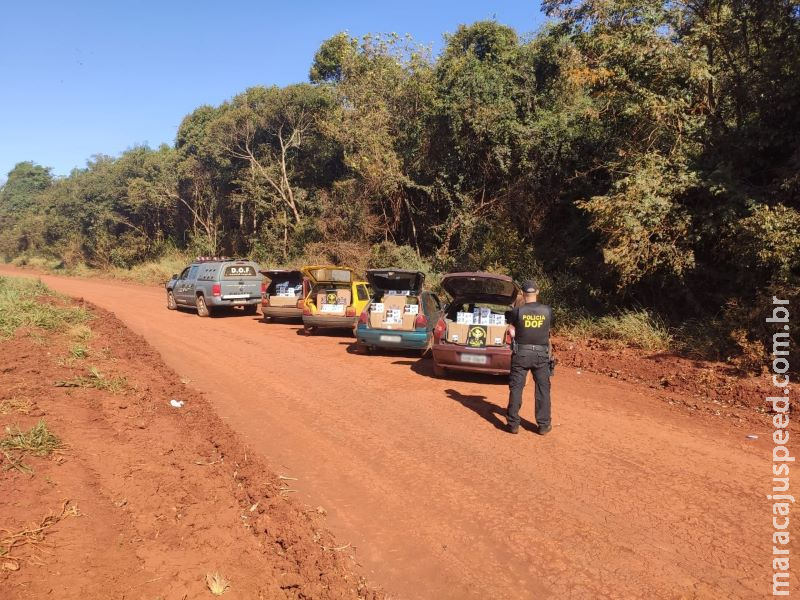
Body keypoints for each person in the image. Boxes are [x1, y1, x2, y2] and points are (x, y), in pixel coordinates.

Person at [506, 280, 553, 436]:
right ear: (537, 292)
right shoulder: (548, 311)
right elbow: (548, 330)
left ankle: (513, 424)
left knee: (516, 388)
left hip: (521, 354)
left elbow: (510, 329)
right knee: (543, 390)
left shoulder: (517, 311)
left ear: (522, 294)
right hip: (541, 355)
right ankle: (544, 425)